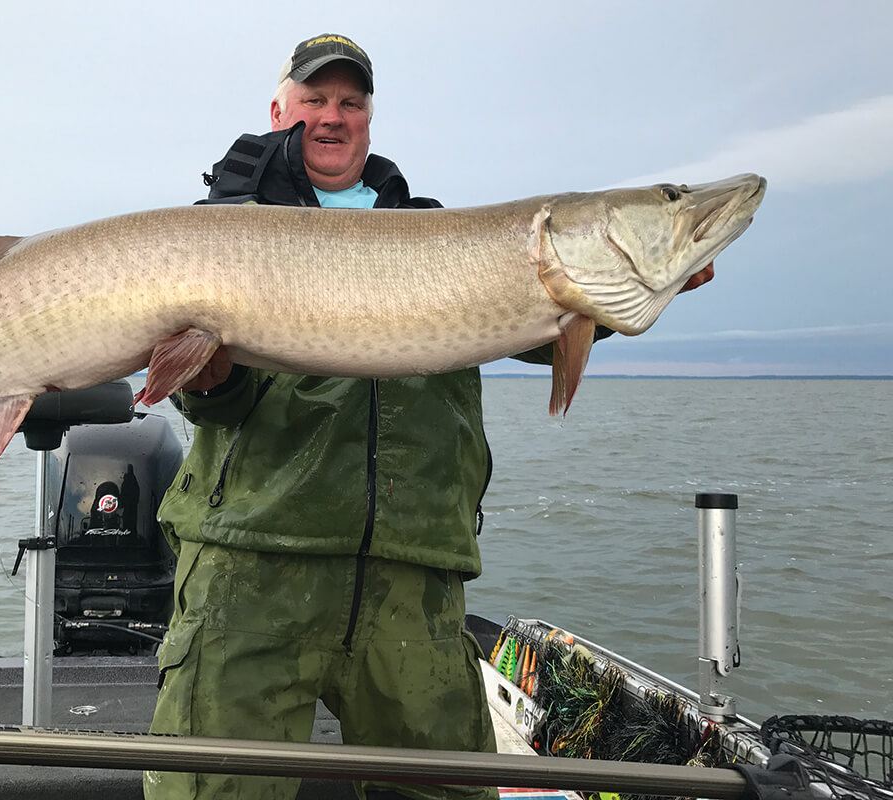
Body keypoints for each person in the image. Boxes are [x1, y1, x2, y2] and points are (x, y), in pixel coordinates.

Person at [145, 33, 710, 800]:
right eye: (315, 99)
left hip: (413, 584)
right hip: (251, 569)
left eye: (352, 102)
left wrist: (644, 275)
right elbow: (215, 405)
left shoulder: (437, 228)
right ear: (280, 110)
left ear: (370, 120)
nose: (333, 116)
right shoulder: (225, 227)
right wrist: (205, 382)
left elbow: (552, 324)